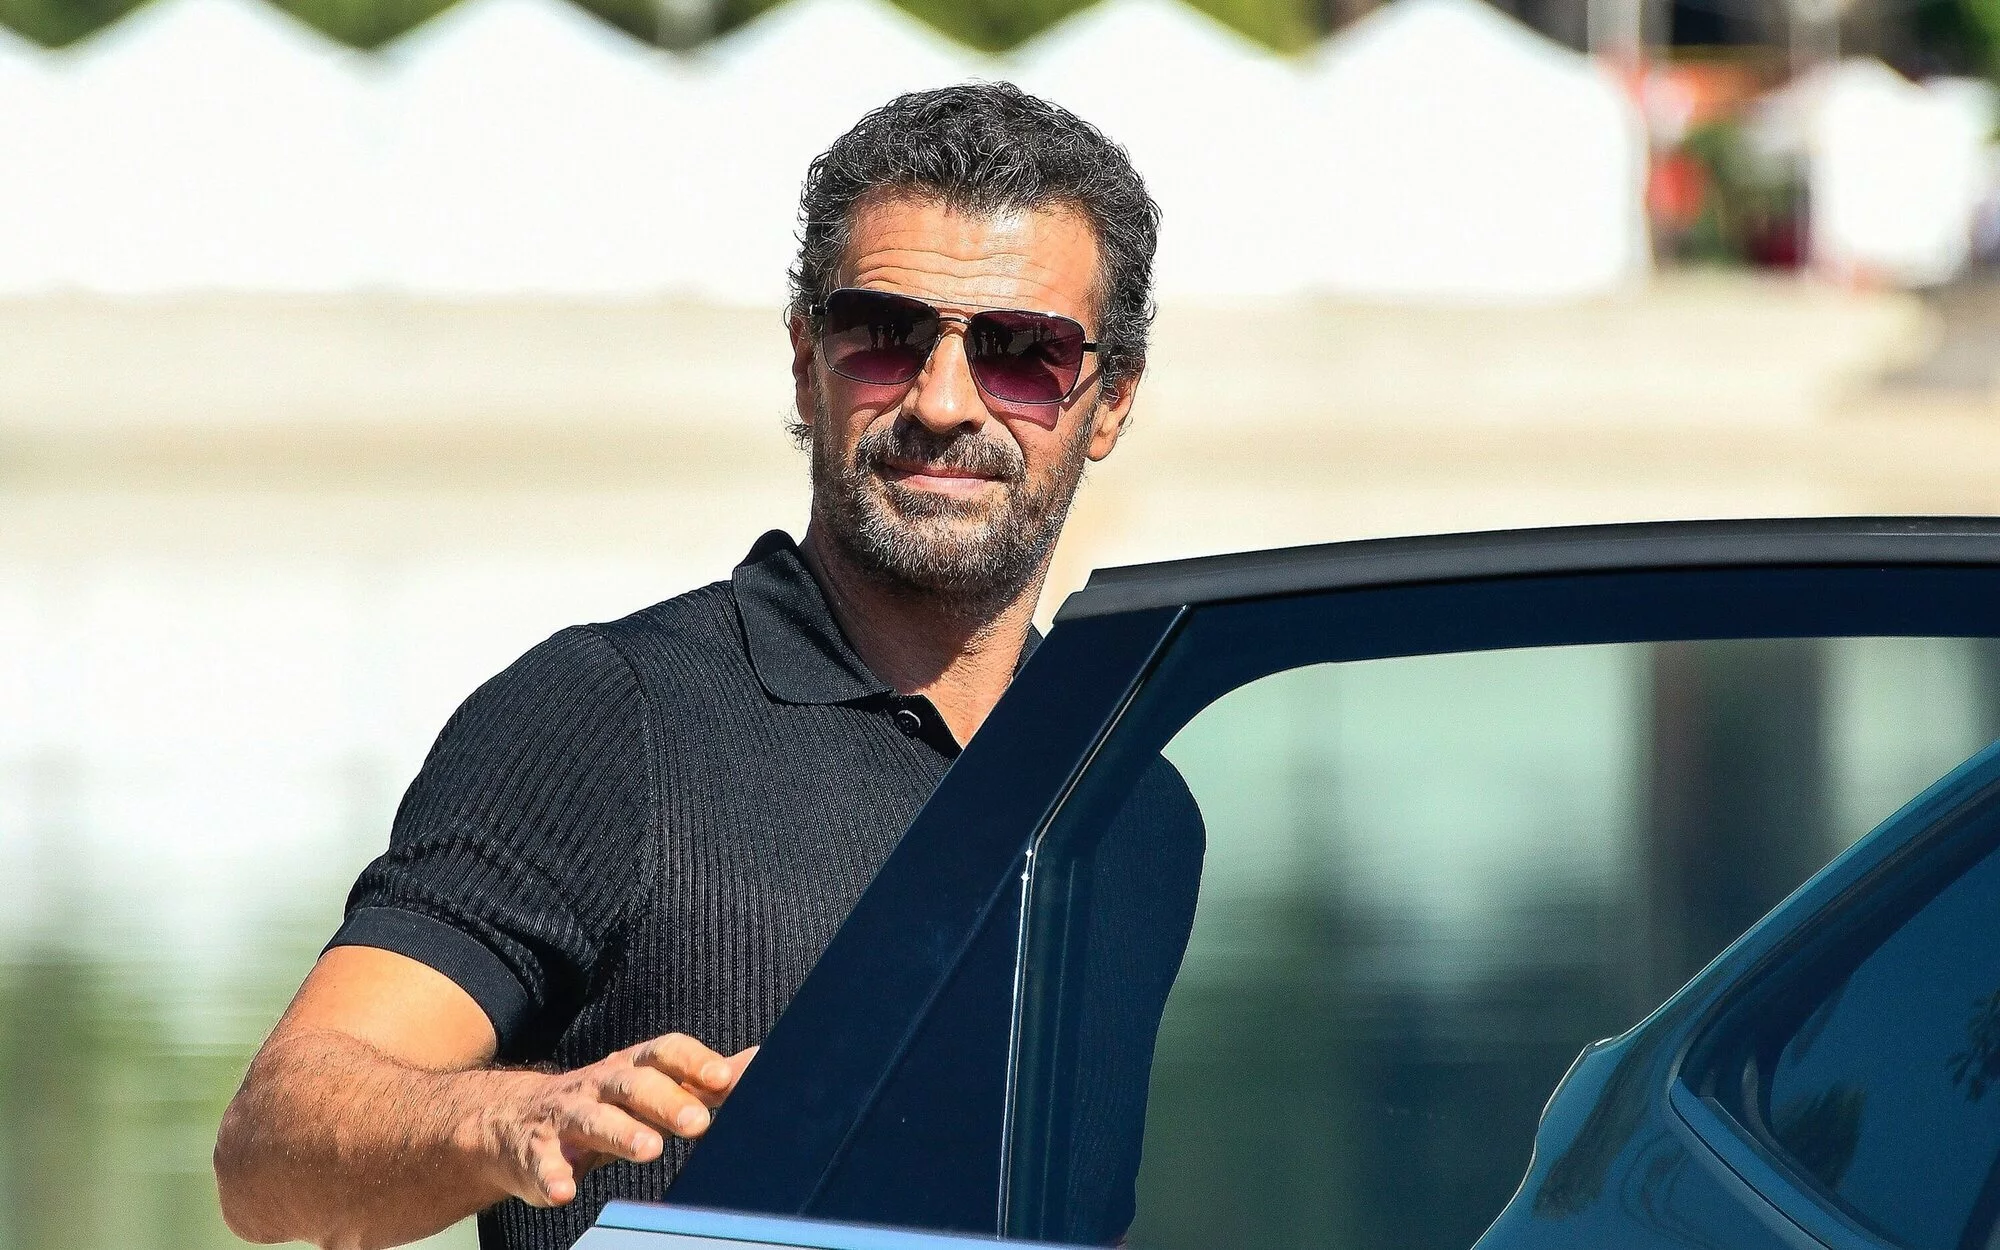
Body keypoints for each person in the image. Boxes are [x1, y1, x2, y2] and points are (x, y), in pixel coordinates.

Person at [213, 82, 1194, 1250]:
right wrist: (517, 1116)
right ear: (806, 361)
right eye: (884, 333)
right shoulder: (605, 715)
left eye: (1020, 352)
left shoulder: (1131, 807)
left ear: (1109, 400)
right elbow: (269, 1155)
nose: (940, 401)